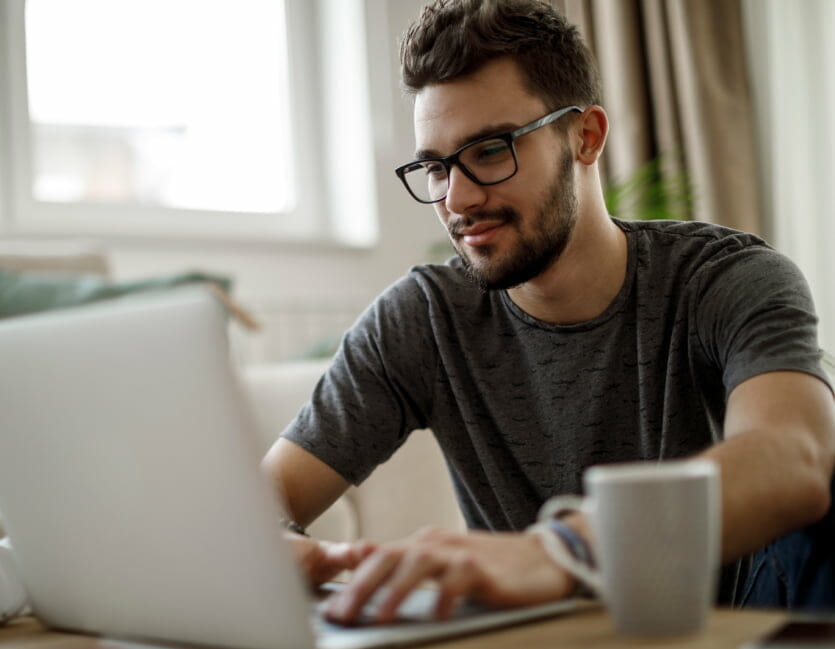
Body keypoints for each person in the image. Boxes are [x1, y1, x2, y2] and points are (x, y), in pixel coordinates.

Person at [262, 0, 835, 623]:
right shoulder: (423, 318)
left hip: (723, 626)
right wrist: (274, 547)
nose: (458, 199)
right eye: (435, 165)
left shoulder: (724, 279)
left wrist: (562, 551)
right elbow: (265, 495)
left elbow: (796, 455)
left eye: (489, 151)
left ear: (585, 136)